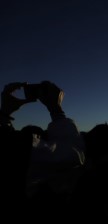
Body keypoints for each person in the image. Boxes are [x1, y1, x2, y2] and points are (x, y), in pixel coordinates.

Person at [0, 81, 86, 223]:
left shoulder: (13, 146)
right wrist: (56, 109)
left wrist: (4, 113)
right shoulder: (23, 150)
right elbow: (76, 155)